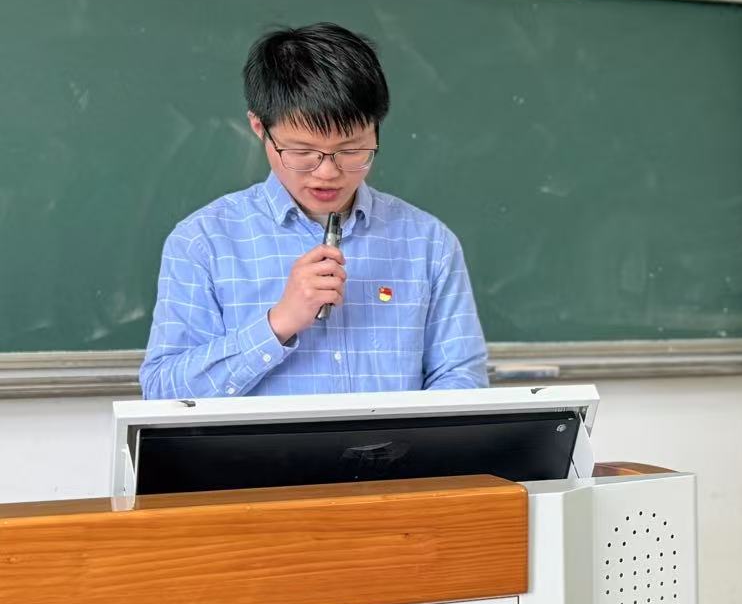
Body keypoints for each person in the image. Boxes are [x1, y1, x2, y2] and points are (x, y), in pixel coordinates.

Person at [140, 23, 488, 398]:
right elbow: (162, 393)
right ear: (259, 127)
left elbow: (461, 379)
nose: (327, 172)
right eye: (302, 152)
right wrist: (278, 323)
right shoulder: (203, 242)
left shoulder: (428, 243)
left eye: (351, 150)